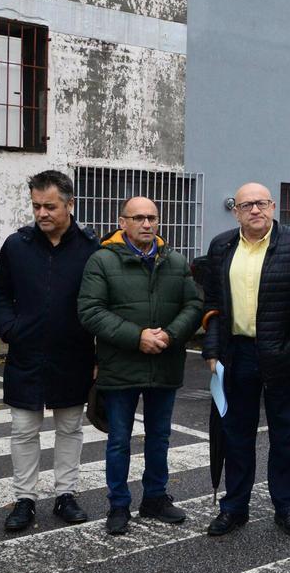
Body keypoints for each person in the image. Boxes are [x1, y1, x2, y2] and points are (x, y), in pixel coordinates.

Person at [201, 183, 290, 538]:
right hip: (237, 354)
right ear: (236, 211)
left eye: (261, 203)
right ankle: (234, 508)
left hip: (282, 354)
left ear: (273, 206)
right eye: (246, 205)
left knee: (284, 435)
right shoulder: (222, 246)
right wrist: (212, 350)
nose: (254, 210)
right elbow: (212, 304)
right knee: (236, 435)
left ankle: (287, 507)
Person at [77, 196, 202, 535]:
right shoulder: (101, 261)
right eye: (139, 218)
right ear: (122, 223)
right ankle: (118, 505)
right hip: (121, 365)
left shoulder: (175, 261)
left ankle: (155, 498)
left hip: (165, 363)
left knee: (159, 436)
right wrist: (137, 337)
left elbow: (194, 304)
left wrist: (170, 335)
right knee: (119, 439)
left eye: (152, 218)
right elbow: (90, 311)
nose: (147, 224)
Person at [0, 170, 99, 532]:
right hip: (27, 353)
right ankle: (25, 499)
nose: (41, 213)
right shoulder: (17, 245)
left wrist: (97, 354)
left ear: (70, 204)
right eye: (36, 206)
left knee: (69, 427)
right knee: (23, 429)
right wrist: (9, 328)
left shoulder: (91, 249)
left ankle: (66, 495)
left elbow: (103, 301)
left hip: (74, 354)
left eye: (50, 206)